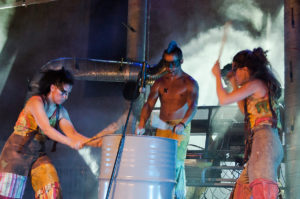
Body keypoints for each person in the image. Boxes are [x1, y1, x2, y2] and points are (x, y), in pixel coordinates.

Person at [0, 68, 117, 199]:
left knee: (52, 191)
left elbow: (73, 134)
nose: (66, 97)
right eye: (63, 92)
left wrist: (100, 141)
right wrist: (70, 142)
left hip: (38, 155)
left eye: (68, 94)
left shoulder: (60, 111)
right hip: (17, 153)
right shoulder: (36, 102)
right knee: (8, 195)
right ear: (52, 88)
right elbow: (46, 129)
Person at [212, 47, 283, 199]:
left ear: (244, 69)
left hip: (264, 144)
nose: (234, 74)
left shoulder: (256, 84)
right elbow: (246, 110)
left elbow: (224, 99)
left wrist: (217, 76)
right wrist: (233, 83)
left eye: (235, 69)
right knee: (242, 190)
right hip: (265, 142)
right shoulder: (257, 87)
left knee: (262, 191)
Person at [136, 41, 199, 199]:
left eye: (174, 63)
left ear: (181, 61)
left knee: (176, 165)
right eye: (167, 63)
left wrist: (183, 123)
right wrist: (142, 123)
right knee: (160, 165)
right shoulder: (160, 82)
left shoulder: (189, 83)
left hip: (180, 127)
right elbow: (149, 104)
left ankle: (178, 196)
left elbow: (193, 106)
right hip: (162, 128)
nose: (170, 68)